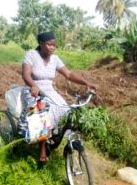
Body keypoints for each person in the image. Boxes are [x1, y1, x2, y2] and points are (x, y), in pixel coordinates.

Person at [22, 31, 96, 162]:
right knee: (44, 116)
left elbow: (68, 74)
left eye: (54, 45)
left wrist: (86, 83)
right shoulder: (31, 55)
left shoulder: (55, 59)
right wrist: (33, 85)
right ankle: (42, 149)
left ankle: (55, 137)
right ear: (40, 43)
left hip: (49, 90)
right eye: (49, 45)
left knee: (66, 110)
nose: (52, 47)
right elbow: (26, 75)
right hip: (33, 90)